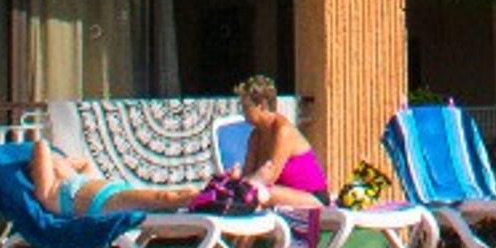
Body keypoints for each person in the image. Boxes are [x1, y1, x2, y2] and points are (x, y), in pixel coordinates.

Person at [33, 77, 329, 223]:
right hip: (272, 191)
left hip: (312, 198)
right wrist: (235, 178)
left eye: (245, 106)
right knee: (244, 194)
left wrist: (242, 185)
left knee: (258, 194)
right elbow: (253, 172)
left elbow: (269, 175)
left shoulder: (282, 131)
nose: (241, 111)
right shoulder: (255, 135)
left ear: (262, 105)